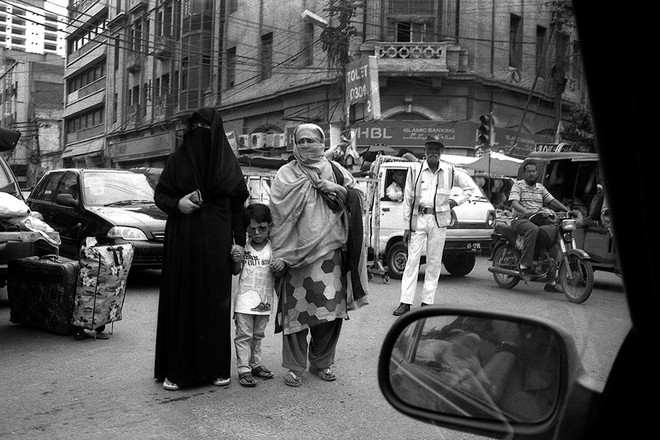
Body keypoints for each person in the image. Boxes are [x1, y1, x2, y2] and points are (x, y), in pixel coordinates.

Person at [153, 106, 249, 391]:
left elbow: (237, 210)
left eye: (205, 130)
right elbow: (160, 195)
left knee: (214, 306)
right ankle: (178, 371)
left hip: (216, 246)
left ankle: (216, 369)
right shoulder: (177, 161)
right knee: (182, 303)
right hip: (182, 244)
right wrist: (178, 204)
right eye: (193, 129)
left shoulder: (228, 166)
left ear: (216, 133)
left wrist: (240, 244)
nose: (198, 135)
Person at [269, 123, 369, 388]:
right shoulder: (285, 174)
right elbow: (277, 216)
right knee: (296, 314)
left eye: (311, 141)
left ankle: (321, 362)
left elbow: (359, 199)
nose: (305, 146)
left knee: (329, 313)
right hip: (295, 256)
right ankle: (294, 367)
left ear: (322, 142)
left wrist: (337, 190)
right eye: (300, 141)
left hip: (329, 255)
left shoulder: (336, 171)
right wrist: (280, 252)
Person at [392, 135, 474, 316]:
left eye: (437, 150)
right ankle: (405, 302)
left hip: (439, 222)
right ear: (425, 151)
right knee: (412, 262)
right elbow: (407, 199)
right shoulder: (415, 171)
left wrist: (454, 202)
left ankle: (427, 303)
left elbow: (470, 189)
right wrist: (406, 226)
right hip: (418, 221)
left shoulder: (450, 171)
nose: (433, 153)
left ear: (441, 152)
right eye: (430, 149)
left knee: (434, 262)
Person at [231, 203, 278, 387]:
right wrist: (236, 259)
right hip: (243, 302)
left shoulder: (274, 249)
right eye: (252, 228)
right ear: (246, 229)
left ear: (270, 227)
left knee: (258, 335)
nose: (257, 232)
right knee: (244, 335)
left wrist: (278, 267)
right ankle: (244, 369)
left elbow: (279, 273)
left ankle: (255, 363)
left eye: (262, 228)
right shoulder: (244, 248)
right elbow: (236, 271)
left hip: (264, 302)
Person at [508, 159, 569, 293]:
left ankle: (551, 282)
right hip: (520, 219)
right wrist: (525, 211)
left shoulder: (540, 188)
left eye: (533, 171)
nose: (531, 174)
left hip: (538, 218)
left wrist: (567, 210)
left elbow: (552, 201)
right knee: (533, 230)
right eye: (528, 171)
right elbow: (514, 203)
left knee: (555, 230)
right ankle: (524, 265)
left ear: (537, 173)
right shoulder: (518, 185)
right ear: (524, 173)